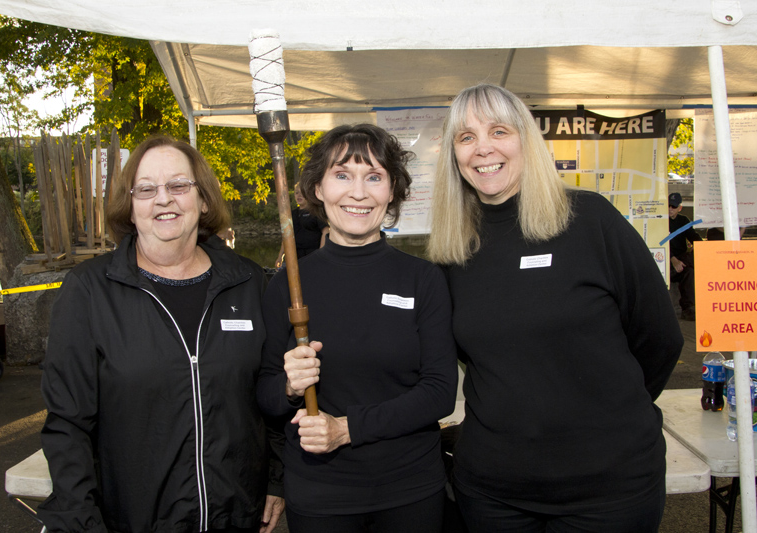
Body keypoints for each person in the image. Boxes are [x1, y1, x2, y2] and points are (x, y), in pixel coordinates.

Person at [427, 84, 683, 533]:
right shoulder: (453, 248)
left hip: (608, 488)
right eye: (466, 137)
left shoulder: (591, 220)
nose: (483, 148)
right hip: (494, 491)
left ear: (526, 140)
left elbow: (659, 337)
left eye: (499, 131)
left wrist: (605, 414)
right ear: (454, 155)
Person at [39, 135, 284, 533]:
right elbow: (67, 424)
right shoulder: (89, 290)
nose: (163, 199)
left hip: (236, 514)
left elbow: (268, 392)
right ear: (130, 206)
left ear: (203, 200)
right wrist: (81, 522)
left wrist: (276, 478)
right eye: (146, 189)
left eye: (178, 185)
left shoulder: (248, 282)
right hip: (133, 520)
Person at [258, 124, 458, 533]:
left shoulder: (423, 279)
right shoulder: (288, 285)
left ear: (392, 191)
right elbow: (265, 396)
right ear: (318, 188)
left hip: (410, 489)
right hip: (320, 494)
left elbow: (440, 392)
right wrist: (290, 386)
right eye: (342, 175)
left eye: (374, 177)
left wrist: (347, 429)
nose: (359, 192)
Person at [274, 183, 329, 268]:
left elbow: (326, 231)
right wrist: (281, 256)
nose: (299, 195)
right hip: (295, 255)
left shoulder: (316, 212)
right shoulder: (291, 214)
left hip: (312, 254)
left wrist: (321, 252)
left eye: (302, 193)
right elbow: (287, 236)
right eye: (296, 193)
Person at [668, 192, 702, 321]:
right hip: (666, 260)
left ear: (680, 208)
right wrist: (673, 259)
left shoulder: (683, 221)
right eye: (668, 205)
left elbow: (694, 236)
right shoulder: (660, 221)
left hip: (681, 261)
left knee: (689, 272)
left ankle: (688, 309)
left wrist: (699, 246)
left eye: (673, 206)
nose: (670, 209)